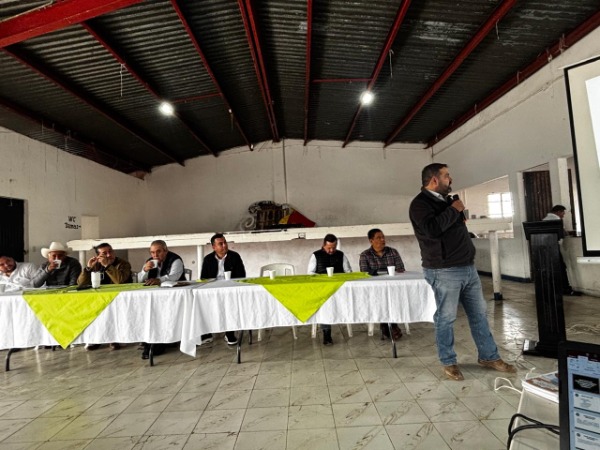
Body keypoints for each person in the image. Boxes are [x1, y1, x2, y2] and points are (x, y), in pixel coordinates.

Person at [409, 163, 515, 381]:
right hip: (443, 270)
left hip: (467, 267)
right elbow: (432, 230)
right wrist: (454, 210)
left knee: (479, 315)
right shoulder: (420, 204)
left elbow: (452, 227)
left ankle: (489, 356)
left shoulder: (447, 201)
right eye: (447, 176)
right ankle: (448, 362)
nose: (451, 179)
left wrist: (455, 211)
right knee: (446, 318)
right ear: (434, 180)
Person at [77, 242, 133, 351]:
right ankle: (97, 339)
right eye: (104, 253)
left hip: (119, 296)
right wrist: (88, 269)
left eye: (110, 251)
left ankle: (114, 339)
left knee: (112, 309)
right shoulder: (96, 265)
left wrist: (107, 266)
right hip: (99, 297)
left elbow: (120, 281)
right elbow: (80, 283)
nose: (108, 255)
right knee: (89, 306)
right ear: (98, 256)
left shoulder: (123, 263)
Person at [138, 240, 186, 359]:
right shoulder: (150, 261)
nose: (155, 255)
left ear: (165, 250)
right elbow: (139, 280)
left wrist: (159, 280)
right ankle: (151, 340)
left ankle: (159, 342)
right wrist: (145, 270)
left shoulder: (175, 260)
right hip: (154, 296)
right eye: (152, 252)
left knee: (159, 312)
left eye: (158, 251)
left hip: (173, 295)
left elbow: (174, 276)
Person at [359, 228, 405, 340]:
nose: (382, 240)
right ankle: (390, 326)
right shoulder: (365, 255)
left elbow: (401, 269)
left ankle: (387, 326)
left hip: (393, 287)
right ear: (371, 241)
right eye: (379, 238)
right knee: (381, 299)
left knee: (393, 298)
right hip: (375, 288)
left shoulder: (393, 252)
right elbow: (364, 273)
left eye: (383, 237)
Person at [200, 233, 245, 346]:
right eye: (220, 244)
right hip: (213, 289)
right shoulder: (208, 259)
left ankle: (229, 333)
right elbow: (203, 278)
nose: (224, 245)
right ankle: (207, 332)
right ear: (214, 247)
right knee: (201, 302)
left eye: (225, 242)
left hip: (230, 288)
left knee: (230, 303)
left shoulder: (234, 256)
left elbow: (241, 275)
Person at [307, 233, 352, 345]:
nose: (331, 250)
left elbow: (348, 272)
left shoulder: (341, 255)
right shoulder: (316, 255)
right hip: (323, 289)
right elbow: (310, 273)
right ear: (324, 245)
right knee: (325, 306)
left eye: (334, 248)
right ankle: (326, 333)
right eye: (329, 248)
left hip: (339, 288)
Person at [543, 205, 581, 296]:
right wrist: (567, 233)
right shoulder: (556, 219)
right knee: (561, 268)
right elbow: (562, 233)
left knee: (551, 269)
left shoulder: (544, 219)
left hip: (544, 247)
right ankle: (566, 289)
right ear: (558, 212)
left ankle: (553, 289)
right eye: (562, 214)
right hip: (554, 247)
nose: (563, 216)